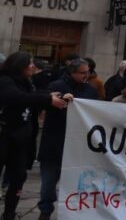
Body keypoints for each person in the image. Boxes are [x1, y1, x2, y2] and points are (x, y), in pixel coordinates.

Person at [0, 53, 70, 220]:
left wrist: (57, 96)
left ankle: (9, 213)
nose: (33, 66)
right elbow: (17, 97)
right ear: (19, 65)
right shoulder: (5, 81)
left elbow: (36, 95)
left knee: (19, 177)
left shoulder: (28, 83)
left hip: (21, 140)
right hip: (4, 137)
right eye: (29, 64)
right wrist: (47, 98)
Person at [38, 58, 97, 220]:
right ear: (72, 72)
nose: (87, 75)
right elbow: (43, 103)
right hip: (54, 142)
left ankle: (72, 212)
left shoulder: (91, 90)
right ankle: (45, 211)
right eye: (83, 73)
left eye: (88, 72)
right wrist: (60, 100)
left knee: (75, 183)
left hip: (78, 146)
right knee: (48, 183)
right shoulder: (56, 86)